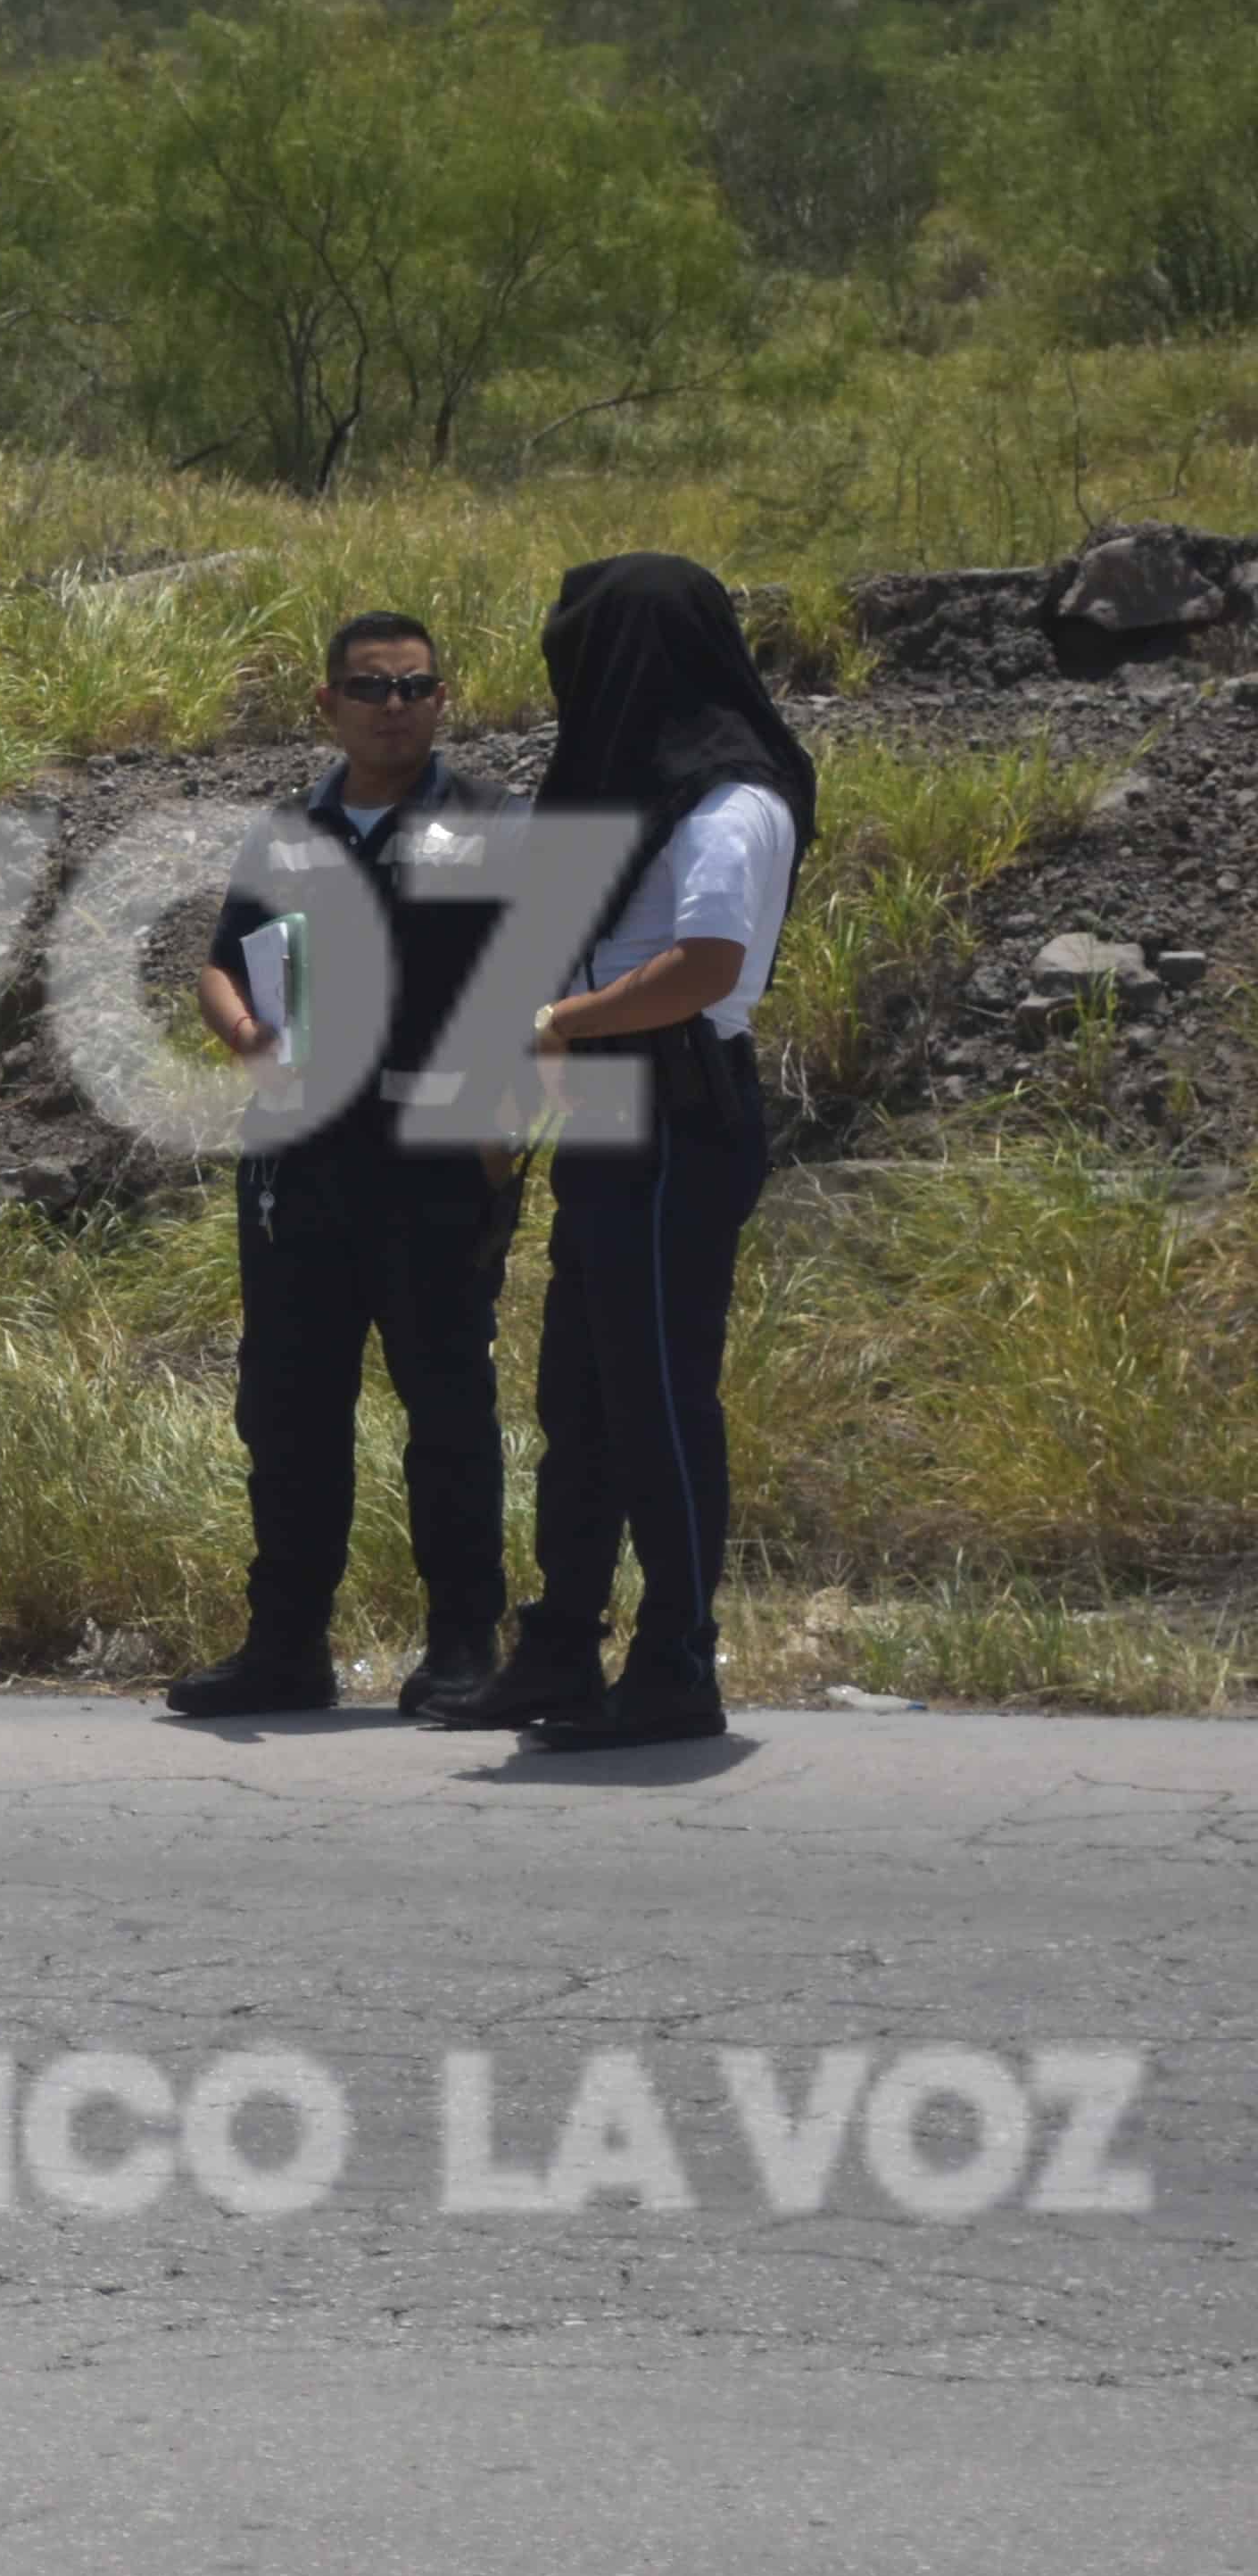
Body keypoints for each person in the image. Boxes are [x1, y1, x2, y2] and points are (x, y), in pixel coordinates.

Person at [435, 553, 817, 1754]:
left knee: (658, 1400)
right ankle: (560, 1646)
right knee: (582, 1402)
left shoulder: (728, 802)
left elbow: (702, 969)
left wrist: (560, 1023)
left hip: (678, 1115)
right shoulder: (625, 796)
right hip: (608, 1110)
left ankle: (677, 1665)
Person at [169, 614, 523, 1721]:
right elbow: (221, 966)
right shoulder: (287, 832)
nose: (396, 705)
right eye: (371, 688)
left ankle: (464, 1643)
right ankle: (285, 1648)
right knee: (288, 1409)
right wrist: (248, 1042)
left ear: (442, 697)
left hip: (434, 1157)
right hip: (302, 1162)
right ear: (327, 706)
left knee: (447, 1403)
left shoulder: (488, 821)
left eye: (417, 685)